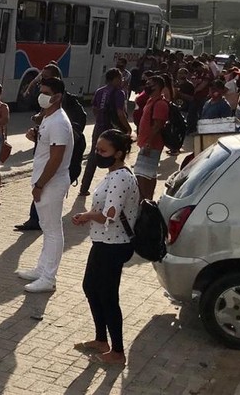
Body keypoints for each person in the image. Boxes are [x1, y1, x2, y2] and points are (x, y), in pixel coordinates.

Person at [72, 129, 140, 366]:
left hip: (114, 244)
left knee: (108, 296)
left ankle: (118, 351)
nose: (98, 154)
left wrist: (86, 215)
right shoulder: (114, 173)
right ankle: (102, 339)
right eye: (97, 150)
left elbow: (109, 214)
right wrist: (89, 217)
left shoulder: (121, 177)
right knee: (91, 287)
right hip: (103, 242)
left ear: (118, 153)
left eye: (103, 151)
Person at [15, 77, 74, 293]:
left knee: (52, 230)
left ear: (57, 96)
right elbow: (49, 148)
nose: (41, 96)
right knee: (47, 229)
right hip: (46, 181)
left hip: (51, 182)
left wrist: (40, 184)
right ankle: (42, 269)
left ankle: (49, 277)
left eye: (46, 92)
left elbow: (56, 158)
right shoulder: (49, 117)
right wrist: (35, 138)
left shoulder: (59, 121)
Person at [79, 69, 130, 197]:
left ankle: (84, 188)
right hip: (113, 130)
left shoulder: (99, 91)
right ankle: (113, 187)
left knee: (94, 156)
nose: (122, 80)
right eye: (120, 78)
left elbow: (95, 109)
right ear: (114, 79)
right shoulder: (119, 93)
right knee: (115, 157)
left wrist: (100, 120)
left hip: (99, 128)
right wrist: (127, 128)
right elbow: (120, 113)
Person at [135, 76, 169, 201]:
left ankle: (145, 200)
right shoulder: (151, 100)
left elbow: (157, 125)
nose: (148, 85)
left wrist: (149, 143)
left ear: (158, 87)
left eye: (151, 83)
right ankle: (146, 199)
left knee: (143, 175)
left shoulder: (160, 104)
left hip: (151, 145)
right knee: (148, 174)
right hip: (146, 142)